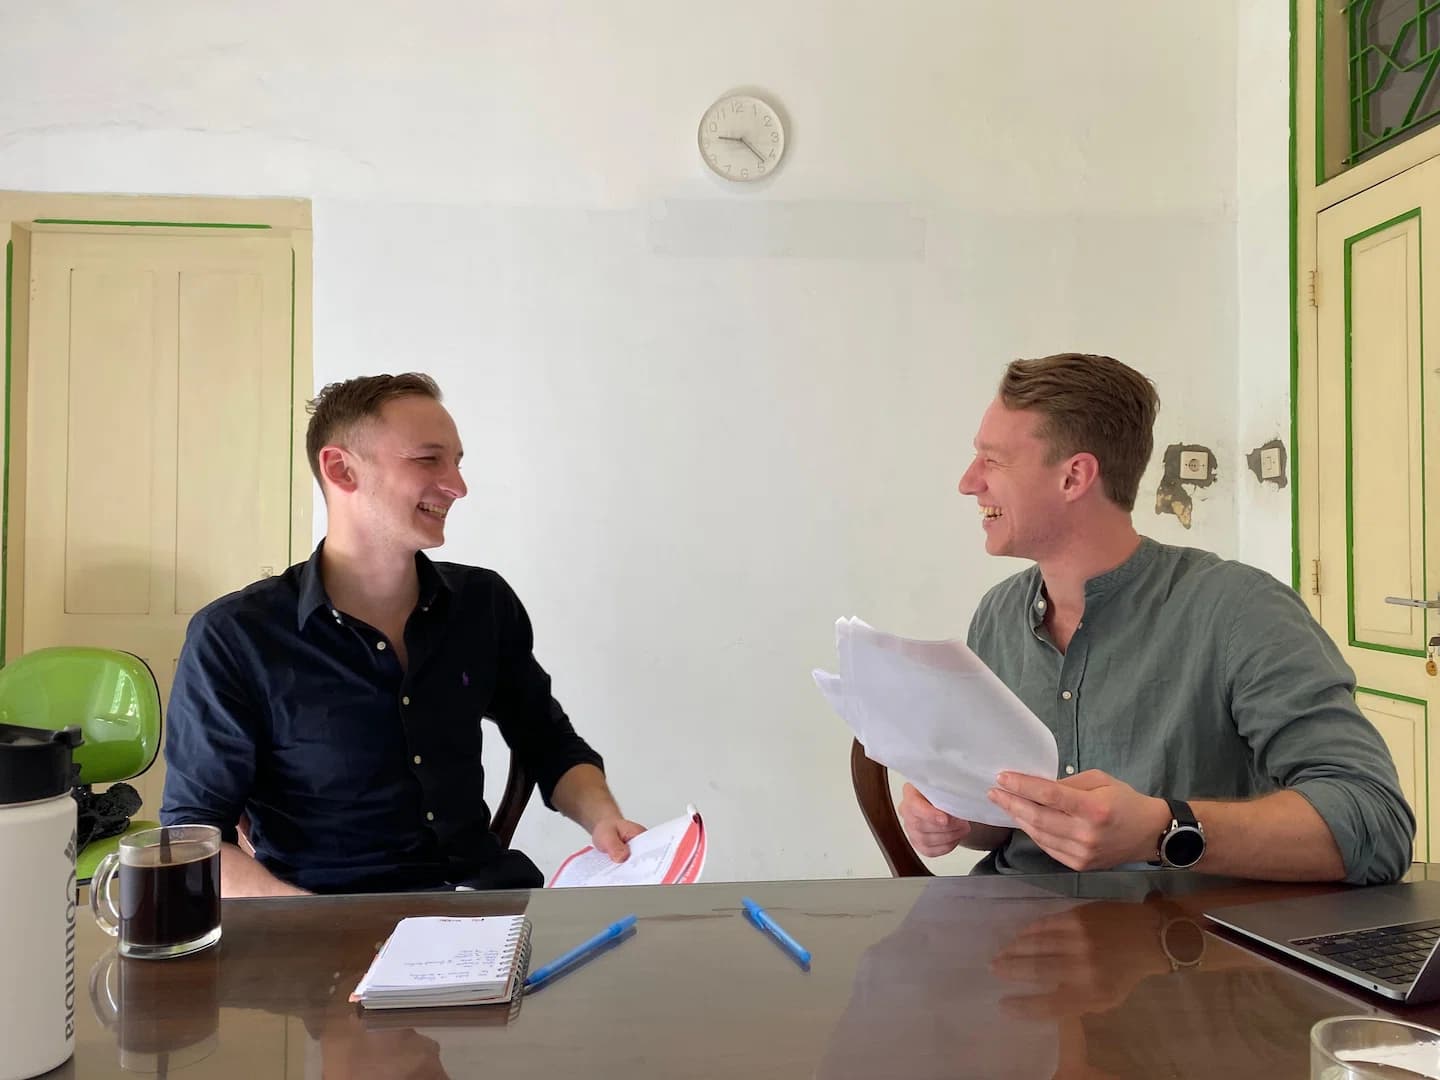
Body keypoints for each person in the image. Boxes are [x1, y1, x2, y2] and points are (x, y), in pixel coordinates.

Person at [899, 353, 1413, 884]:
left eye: (993, 460)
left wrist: (1164, 830)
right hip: (1006, 939)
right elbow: (1003, 822)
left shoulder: (1240, 610)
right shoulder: (997, 614)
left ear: (1074, 476)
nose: (968, 482)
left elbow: (1376, 824)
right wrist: (954, 816)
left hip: (1178, 949)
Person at [161, 373, 642, 896]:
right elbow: (192, 836)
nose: (458, 486)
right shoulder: (236, 637)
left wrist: (603, 820)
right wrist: (301, 918)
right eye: (428, 460)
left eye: (458, 461)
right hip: (325, 922)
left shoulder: (483, 604)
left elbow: (547, 740)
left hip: (480, 905)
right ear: (341, 469)